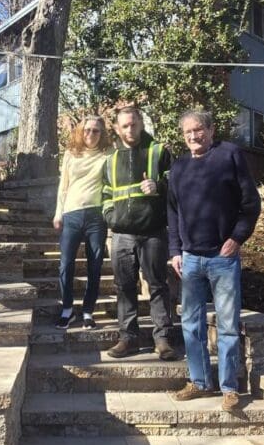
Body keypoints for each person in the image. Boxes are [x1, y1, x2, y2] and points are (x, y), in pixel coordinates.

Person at [167, 109, 262, 409]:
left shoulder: (229, 155)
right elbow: (172, 212)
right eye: (188, 132)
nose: (194, 136)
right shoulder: (179, 167)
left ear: (210, 130)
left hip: (223, 256)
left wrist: (237, 238)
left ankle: (229, 388)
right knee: (190, 325)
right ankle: (198, 382)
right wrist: (175, 251)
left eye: (199, 130)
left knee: (228, 324)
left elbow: (251, 203)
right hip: (190, 258)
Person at [101, 105, 177, 360]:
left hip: (153, 231)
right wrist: (111, 217)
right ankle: (128, 338)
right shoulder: (110, 159)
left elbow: (176, 183)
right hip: (121, 234)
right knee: (124, 286)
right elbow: (105, 193)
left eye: (134, 124)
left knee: (157, 285)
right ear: (117, 128)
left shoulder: (158, 151)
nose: (130, 129)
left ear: (141, 123)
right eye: (124, 125)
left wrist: (159, 186)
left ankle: (162, 339)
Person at [53, 115, 113, 329]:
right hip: (71, 214)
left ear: (102, 133)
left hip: (96, 217)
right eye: (87, 130)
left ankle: (88, 311)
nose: (91, 134)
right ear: (81, 131)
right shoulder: (71, 154)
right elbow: (63, 186)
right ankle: (67, 309)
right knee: (66, 264)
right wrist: (58, 213)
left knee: (95, 265)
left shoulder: (108, 153)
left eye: (96, 130)